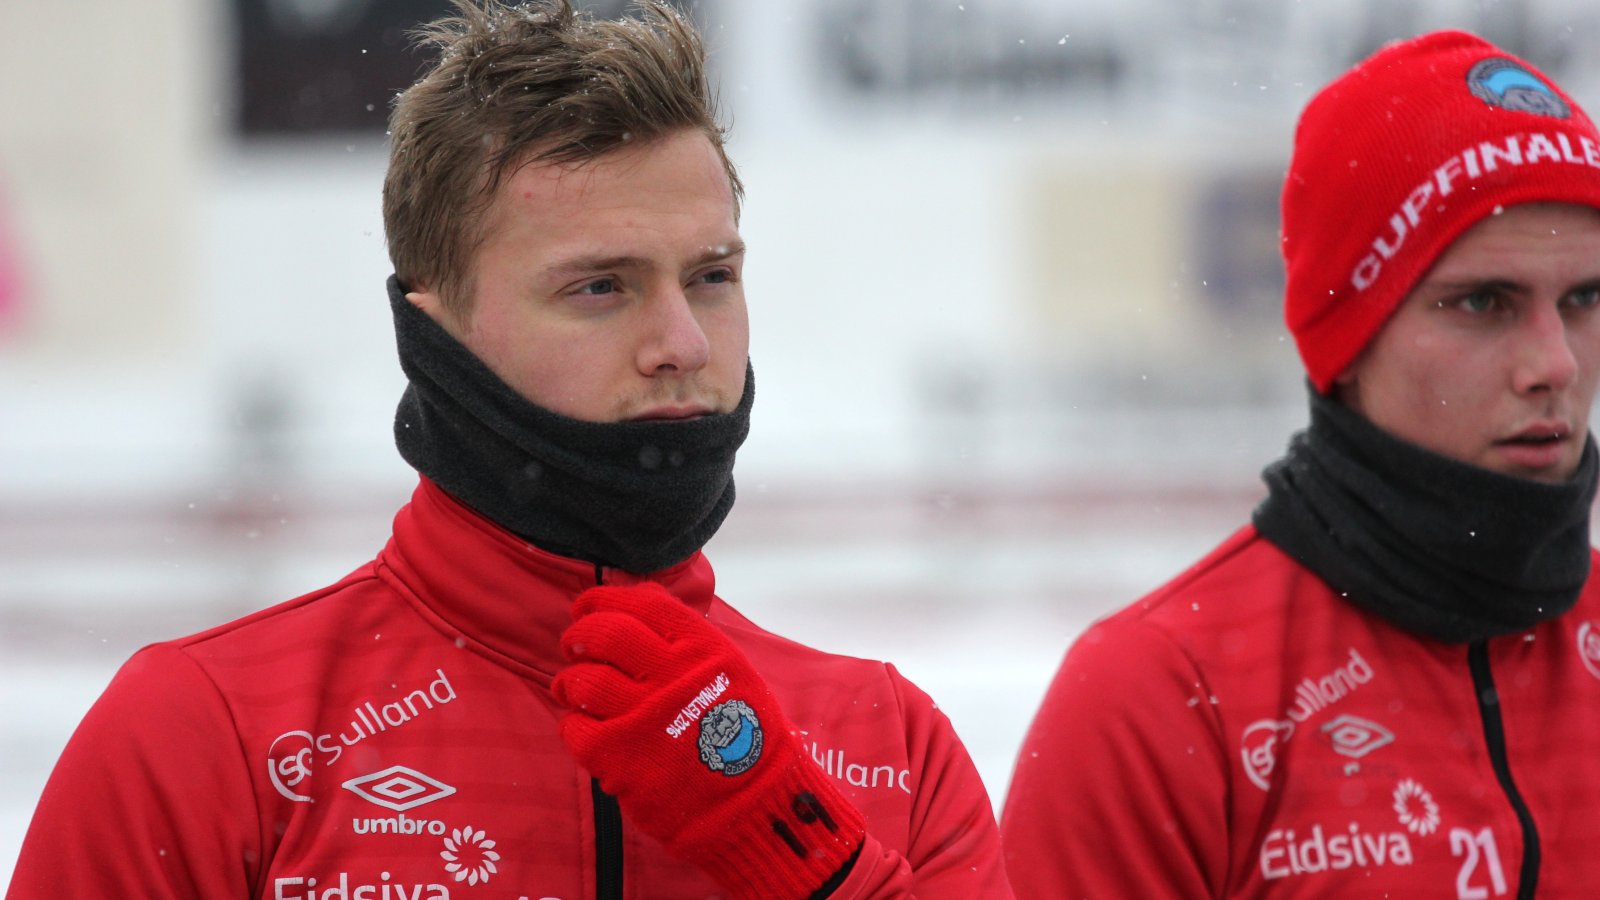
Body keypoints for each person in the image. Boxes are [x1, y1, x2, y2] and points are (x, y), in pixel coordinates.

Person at [6, 2, 1012, 897]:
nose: (683, 345)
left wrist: (803, 856)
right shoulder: (210, 731)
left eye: (711, 278)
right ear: (436, 334)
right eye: (600, 287)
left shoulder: (885, 742)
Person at [1001, 30, 1600, 899]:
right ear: (1349, 337)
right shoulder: (1166, 696)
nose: (1556, 363)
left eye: (1585, 298)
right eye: (1482, 302)